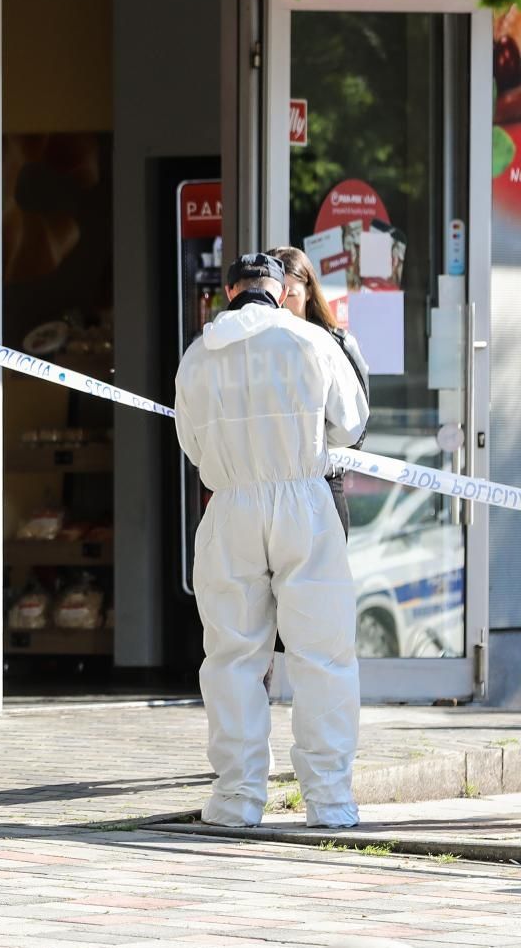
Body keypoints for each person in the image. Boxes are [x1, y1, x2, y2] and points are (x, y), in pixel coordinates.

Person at [175, 253, 370, 830]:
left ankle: (236, 798)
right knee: (323, 654)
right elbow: (351, 424)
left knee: (232, 656)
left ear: (229, 290)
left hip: (231, 504)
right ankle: (330, 800)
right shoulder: (310, 340)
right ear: (281, 289)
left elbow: (190, 442)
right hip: (304, 499)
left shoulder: (197, 355)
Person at [268, 245, 370, 536]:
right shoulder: (255, 351)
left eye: (292, 294)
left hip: (323, 485)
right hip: (267, 492)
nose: (282, 304)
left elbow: (357, 429)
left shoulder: (337, 344)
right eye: (275, 296)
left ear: (309, 291)